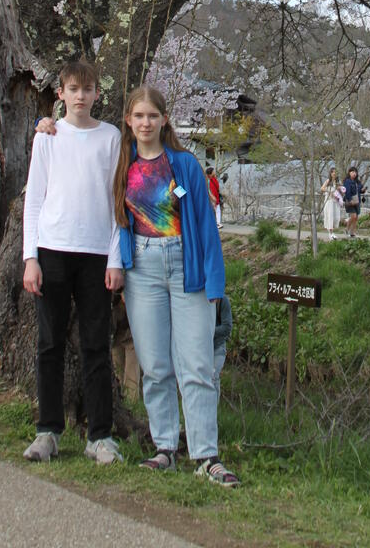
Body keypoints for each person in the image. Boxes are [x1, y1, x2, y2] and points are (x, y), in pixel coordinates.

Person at [116, 85, 240, 487]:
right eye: (139, 116)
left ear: (164, 119)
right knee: (154, 366)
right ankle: (164, 447)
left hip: (185, 266)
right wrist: (43, 124)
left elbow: (204, 224)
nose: (146, 123)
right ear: (130, 121)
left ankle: (206, 455)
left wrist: (214, 281)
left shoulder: (183, 165)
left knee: (197, 366)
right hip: (142, 270)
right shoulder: (123, 164)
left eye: (153, 115)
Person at [22, 59, 124, 465]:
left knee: (96, 345)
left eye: (88, 89)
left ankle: (100, 436)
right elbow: (34, 201)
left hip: (97, 254)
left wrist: (115, 259)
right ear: (60, 94)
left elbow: (118, 202)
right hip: (53, 250)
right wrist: (31, 258)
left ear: (98, 93)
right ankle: (47, 431)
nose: (81, 97)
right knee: (49, 344)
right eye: (73, 89)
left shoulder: (111, 137)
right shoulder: (47, 136)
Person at [213, 293, 232, 398]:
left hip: (218, 347)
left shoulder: (223, 300)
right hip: (201, 348)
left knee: (213, 377)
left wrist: (209, 331)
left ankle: (214, 410)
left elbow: (227, 327)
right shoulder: (197, 300)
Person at [320, 167, 344, 240]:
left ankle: (332, 232)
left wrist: (340, 191)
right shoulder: (328, 181)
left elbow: (341, 190)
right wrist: (330, 192)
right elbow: (322, 188)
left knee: (336, 217)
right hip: (329, 201)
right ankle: (330, 233)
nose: (334, 173)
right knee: (330, 217)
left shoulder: (338, 182)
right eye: (332, 172)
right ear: (330, 173)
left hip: (336, 201)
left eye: (335, 172)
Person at [342, 166, 366, 238]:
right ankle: (346, 229)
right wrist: (350, 200)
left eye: (355, 172)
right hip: (350, 201)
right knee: (353, 216)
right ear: (349, 173)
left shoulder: (357, 182)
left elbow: (359, 190)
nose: (354, 173)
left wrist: (363, 190)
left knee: (356, 218)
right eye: (352, 172)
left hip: (357, 201)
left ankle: (352, 233)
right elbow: (347, 192)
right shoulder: (347, 181)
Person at [206, 165, 222, 230]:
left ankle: (216, 223)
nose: (214, 172)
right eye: (213, 171)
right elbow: (211, 190)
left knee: (216, 210)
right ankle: (217, 223)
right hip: (213, 198)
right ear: (211, 173)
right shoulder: (210, 180)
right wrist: (213, 199)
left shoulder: (212, 179)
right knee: (216, 210)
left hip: (215, 197)